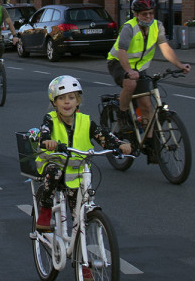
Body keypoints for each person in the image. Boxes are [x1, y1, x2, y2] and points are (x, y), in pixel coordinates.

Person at [32, 75, 132, 232]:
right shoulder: (50, 119)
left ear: (78, 101)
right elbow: (44, 132)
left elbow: (103, 135)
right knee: (54, 171)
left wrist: (119, 144)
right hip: (54, 164)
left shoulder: (86, 121)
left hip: (76, 170)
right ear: (54, 103)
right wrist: (47, 141)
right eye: (62, 98)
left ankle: (79, 244)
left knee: (78, 211)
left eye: (71, 97)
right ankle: (45, 212)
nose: (67, 102)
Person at [107, 0, 190, 153]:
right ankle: (123, 114)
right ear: (137, 14)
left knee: (146, 104)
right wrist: (129, 71)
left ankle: (150, 143)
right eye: (144, 14)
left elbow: (165, 48)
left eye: (151, 13)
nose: (149, 17)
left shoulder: (157, 26)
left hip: (140, 68)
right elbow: (122, 51)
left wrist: (179, 64)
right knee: (130, 84)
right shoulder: (128, 28)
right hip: (118, 63)